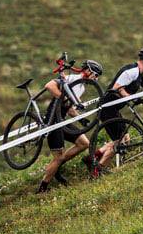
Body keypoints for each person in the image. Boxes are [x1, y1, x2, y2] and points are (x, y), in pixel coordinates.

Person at [36, 58, 104, 194]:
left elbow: (69, 108)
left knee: (84, 143)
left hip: (63, 119)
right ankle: (42, 187)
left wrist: (81, 119)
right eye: (95, 75)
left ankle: (57, 167)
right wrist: (62, 96)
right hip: (53, 120)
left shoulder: (82, 87)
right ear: (88, 71)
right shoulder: (73, 78)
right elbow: (49, 85)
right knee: (58, 157)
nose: (96, 78)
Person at [90, 48, 143, 176]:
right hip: (107, 108)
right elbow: (117, 88)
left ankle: (94, 156)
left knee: (126, 139)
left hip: (113, 109)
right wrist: (130, 97)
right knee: (119, 142)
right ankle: (97, 170)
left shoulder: (140, 75)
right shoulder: (132, 71)